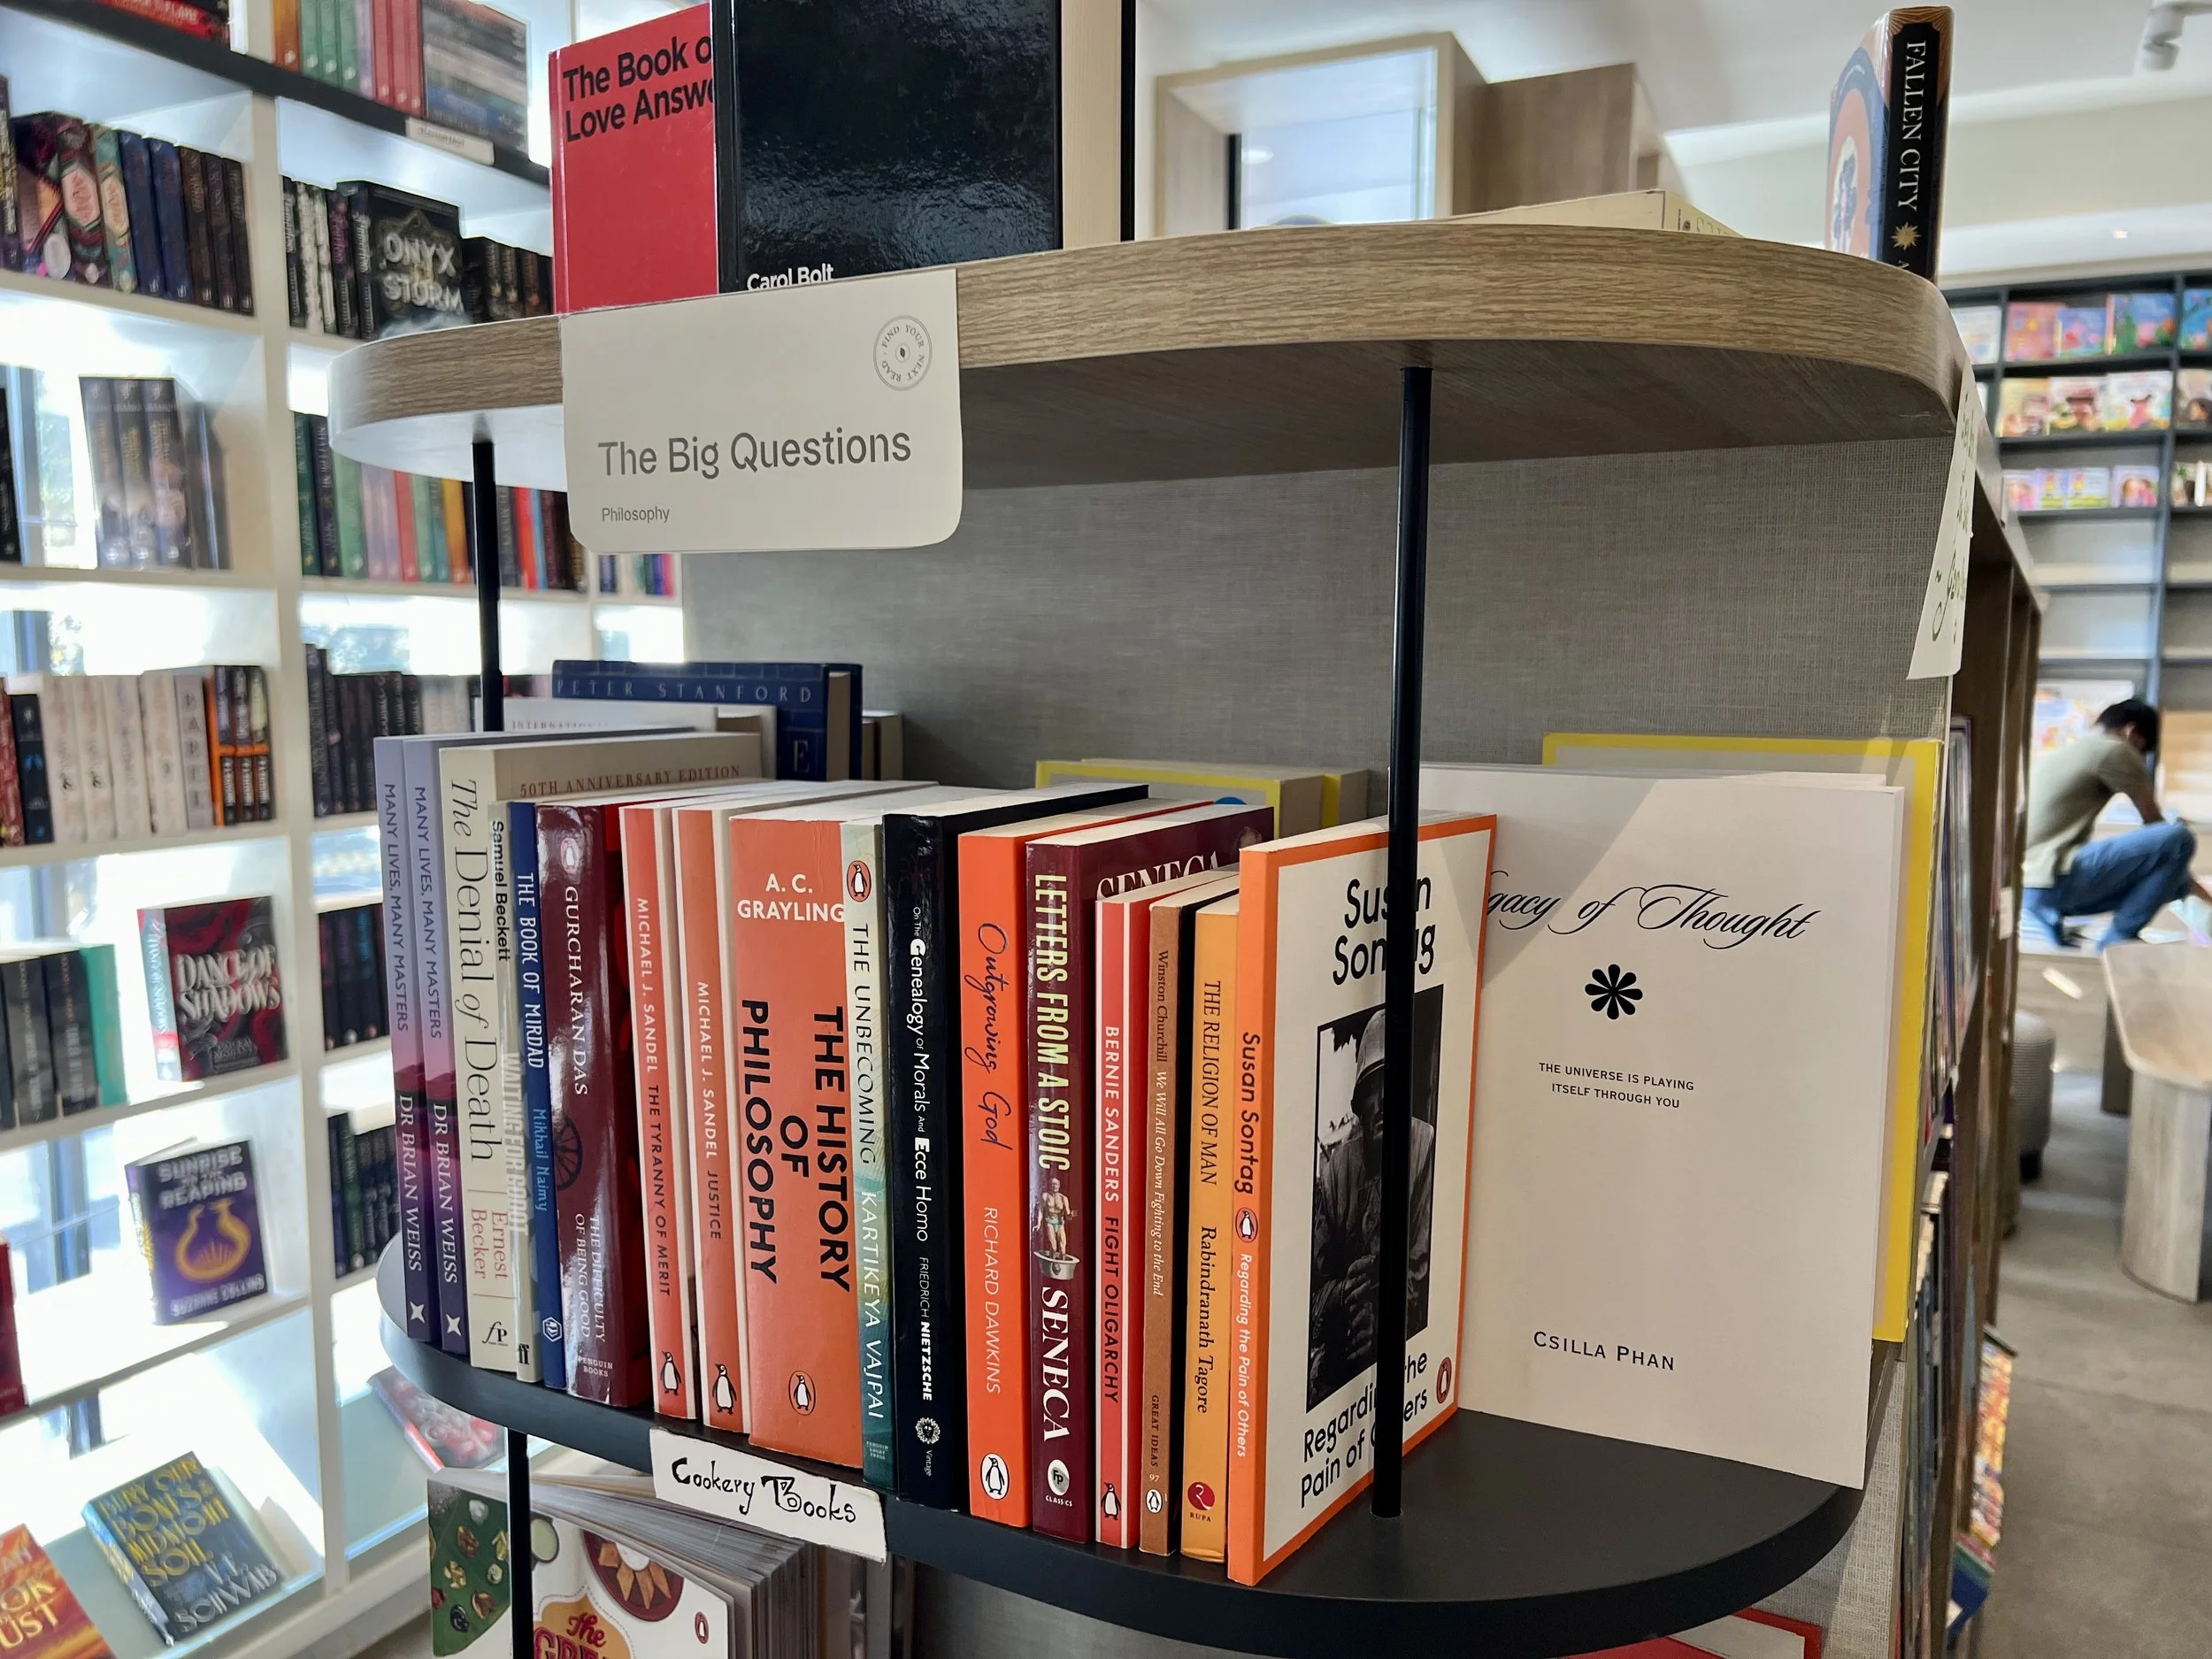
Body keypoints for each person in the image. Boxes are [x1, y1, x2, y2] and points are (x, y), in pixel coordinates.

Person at [1308, 1008, 1434, 1409]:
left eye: (1390, 1083)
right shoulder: (1334, 1173)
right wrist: (1346, 1295)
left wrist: (1381, 1315)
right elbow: (1312, 1289)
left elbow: (1424, 1273)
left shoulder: (1424, 1147)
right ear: (1359, 1104)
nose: (1381, 1101)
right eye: (1370, 1089)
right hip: (1343, 1347)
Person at [2023, 698, 2208, 949]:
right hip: (2055, 880)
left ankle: (2091, 932)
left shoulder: (2066, 752)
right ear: (2131, 732)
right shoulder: (2114, 748)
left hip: (2032, 888)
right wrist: (2201, 893)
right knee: (2178, 838)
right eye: (2141, 749)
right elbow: (2157, 828)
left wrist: (2191, 888)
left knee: (2174, 878)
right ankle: (2117, 941)